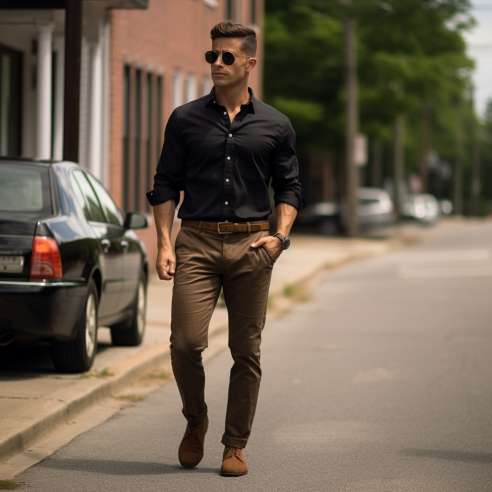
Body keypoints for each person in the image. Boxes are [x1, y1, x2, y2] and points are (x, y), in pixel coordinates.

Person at [146, 21, 302, 477]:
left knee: (245, 350)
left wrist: (279, 237)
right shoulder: (185, 119)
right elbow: (164, 185)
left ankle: (235, 444)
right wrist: (163, 244)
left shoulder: (276, 124)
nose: (216, 64)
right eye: (211, 56)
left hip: (253, 244)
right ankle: (196, 420)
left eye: (227, 57)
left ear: (249, 64)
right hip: (195, 240)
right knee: (185, 343)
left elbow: (290, 187)